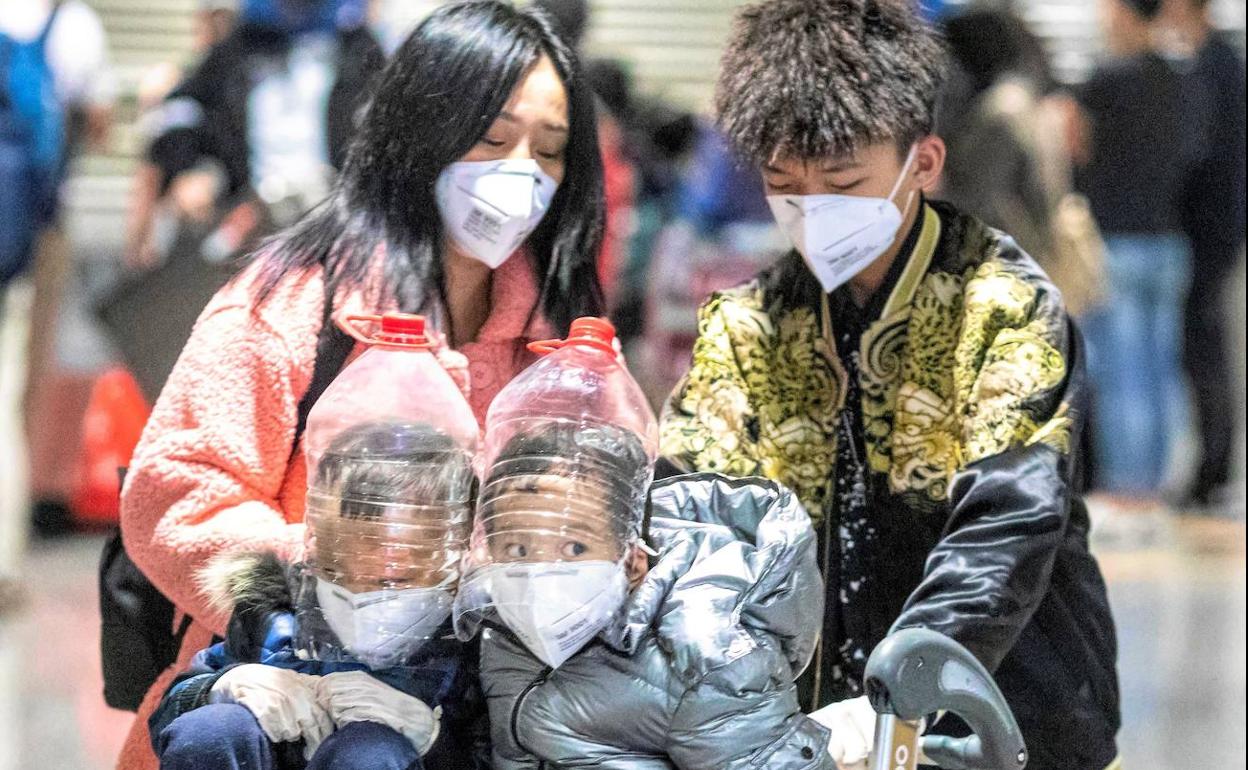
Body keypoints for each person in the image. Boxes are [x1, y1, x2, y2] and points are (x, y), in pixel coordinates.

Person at [117, 2, 605, 767]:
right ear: (421, 128)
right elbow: (173, 492)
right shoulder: (297, 300)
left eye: (550, 150)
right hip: (273, 699)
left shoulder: (560, 339)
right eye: (492, 138)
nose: (521, 174)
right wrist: (344, 576)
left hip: (473, 725)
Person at [660, 1, 1120, 768]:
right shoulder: (745, 326)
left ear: (925, 162)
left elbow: (1007, 525)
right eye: (786, 184)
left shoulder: (1000, 308)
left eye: (843, 181)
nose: (815, 213)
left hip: (1004, 714)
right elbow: (690, 510)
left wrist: (903, 691)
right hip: (805, 733)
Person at [455, 421, 838, 769]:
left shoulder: (707, 657)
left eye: (574, 548)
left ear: (633, 562)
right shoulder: (500, 622)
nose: (540, 574)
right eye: (517, 550)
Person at [149, 421, 486, 770]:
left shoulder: (473, 639)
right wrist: (220, 686)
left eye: (394, 580)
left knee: (369, 754)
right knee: (210, 731)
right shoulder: (276, 611)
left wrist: (434, 741)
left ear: (455, 561)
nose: (359, 593)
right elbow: (168, 714)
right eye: (336, 571)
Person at [1072, 0, 1211, 525]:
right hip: (1170, 238)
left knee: (1121, 371)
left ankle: (1129, 489)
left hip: (1117, 241)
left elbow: (1075, 144)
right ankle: (1155, 481)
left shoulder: (1105, 79)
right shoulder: (1184, 80)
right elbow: (1196, 153)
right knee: (1159, 368)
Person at [0, 0, 112, 592]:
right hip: (28, 236)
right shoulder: (72, 25)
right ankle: (2, 562)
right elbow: (97, 121)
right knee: (14, 390)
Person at [1162, 0, 1246, 511]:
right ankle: (1208, 468)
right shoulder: (1212, 63)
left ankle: (1212, 470)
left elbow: (1207, 155)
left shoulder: (1216, 66)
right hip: (1207, 230)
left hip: (1211, 233)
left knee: (1206, 347)